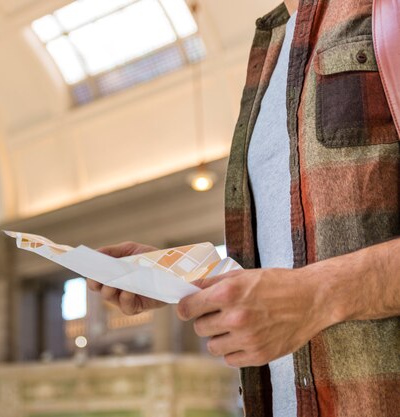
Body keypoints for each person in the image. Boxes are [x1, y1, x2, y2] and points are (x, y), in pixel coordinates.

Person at [87, 1, 400, 416]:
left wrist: (317, 295)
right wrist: (186, 276)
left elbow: (303, 288)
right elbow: (289, 268)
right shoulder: (273, 44)